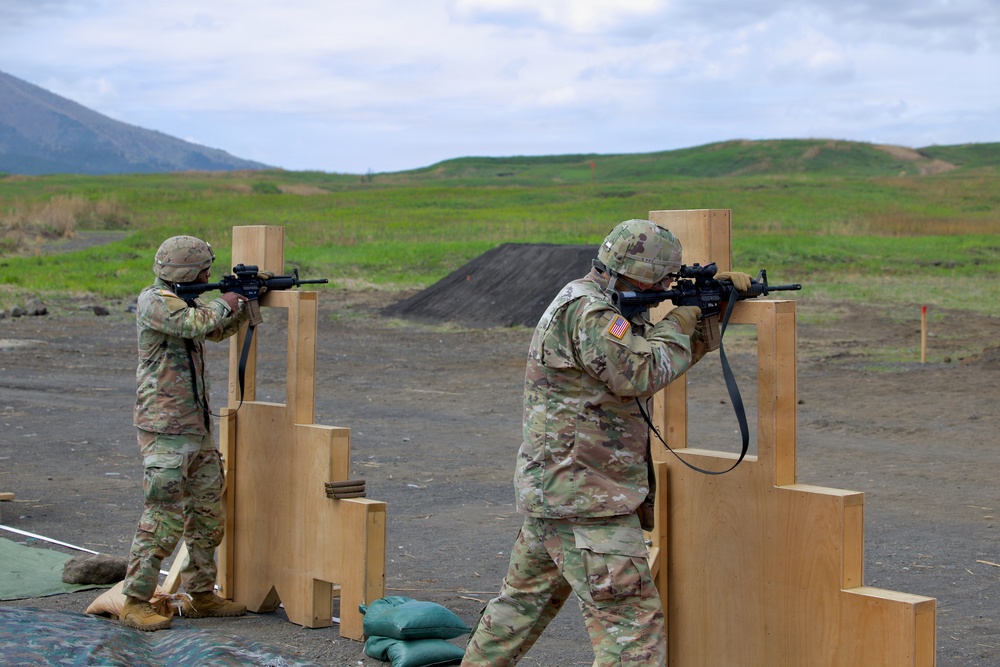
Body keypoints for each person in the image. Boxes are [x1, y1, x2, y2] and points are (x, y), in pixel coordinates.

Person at [461, 219, 751, 666]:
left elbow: (652, 359)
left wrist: (706, 312)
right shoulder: (591, 313)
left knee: (516, 612)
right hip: (588, 501)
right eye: (661, 279)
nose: (666, 287)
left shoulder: (600, 304)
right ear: (636, 272)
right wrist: (683, 315)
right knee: (632, 633)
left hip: (563, 492)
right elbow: (639, 373)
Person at [119, 235, 250, 631]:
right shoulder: (155, 301)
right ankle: (135, 601)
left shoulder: (185, 301)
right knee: (162, 519)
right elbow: (196, 323)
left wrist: (244, 303)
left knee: (207, 517)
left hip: (196, 428)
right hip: (165, 431)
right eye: (203, 271)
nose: (208, 277)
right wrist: (227, 300)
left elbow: (215, 331)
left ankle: (202, 594)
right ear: (187, 272)